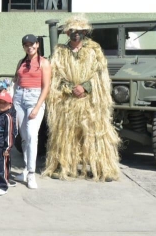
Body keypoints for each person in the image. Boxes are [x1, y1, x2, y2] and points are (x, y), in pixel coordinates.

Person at [43, 16, 120, 182]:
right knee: (64, 134)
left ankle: (101, 169)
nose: (75, 34)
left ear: (84, 32)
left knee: (95, 135)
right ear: (67, 32)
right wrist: (70, 88)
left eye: (79, 31)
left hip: (89, 101)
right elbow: (55, 74)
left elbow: (100, 74)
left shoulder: (94, 51)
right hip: (67, 101)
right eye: (72, 31)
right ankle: (62, 166)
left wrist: (85, 86)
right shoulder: (60, 52)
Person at [12, 34, 51, 190]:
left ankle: (31, 174)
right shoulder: (21, 62)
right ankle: (25, 169)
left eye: (32, 44)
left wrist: (37, 107)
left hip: (34, 98)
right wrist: (11, 98)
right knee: (23, 136)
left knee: (32, 135)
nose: (30, 47)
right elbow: (16, 81)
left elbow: (46, 87)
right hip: (19, 98)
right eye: (26, 45)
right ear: (24, 47)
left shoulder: (44, 63)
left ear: (37, 45)